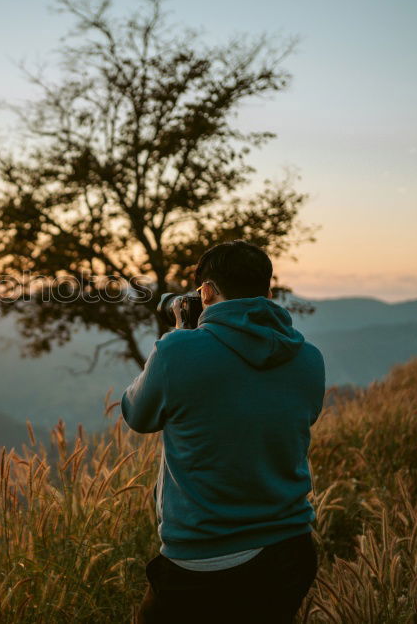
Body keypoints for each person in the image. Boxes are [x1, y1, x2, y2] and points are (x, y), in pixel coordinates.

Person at [124, 240, 325, 624]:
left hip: (202, 560)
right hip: (290, 550)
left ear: (208, 291)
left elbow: (137, 414)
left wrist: (180, 334)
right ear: (268, 292)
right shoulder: (309, 358)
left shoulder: (178, 351)